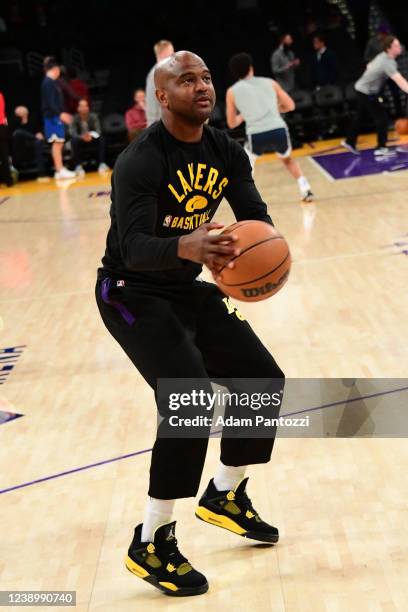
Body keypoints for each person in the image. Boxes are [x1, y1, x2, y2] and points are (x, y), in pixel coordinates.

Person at [96, 50, 285, 597]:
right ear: (162, 95)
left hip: (183, 284)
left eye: (206, 78)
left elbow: (256, 216)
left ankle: (226, 493)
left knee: (261, 379)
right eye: (187, 80)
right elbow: (132, 248)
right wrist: (190, 244)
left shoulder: (223, 148)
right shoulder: (140, 160)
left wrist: (244, 248)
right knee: (191, 400)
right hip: (130, 291)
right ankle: (151, 540)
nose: (202, 86)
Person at [226, 52, 313, 202]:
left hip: (256, 135)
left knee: (246, 165)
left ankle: (247, 199)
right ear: (251, 68)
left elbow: (232, 123)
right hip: (278, 130)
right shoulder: (270, 82)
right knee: (287, 160)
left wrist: (245, 115)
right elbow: (290, 106)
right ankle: (305, 188)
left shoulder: (232, 92)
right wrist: (274, 109)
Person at [342, 36, 408, 157]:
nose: (400, 47)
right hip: (366, 92)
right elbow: (399, 81)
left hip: (361, 88)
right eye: (396, 46)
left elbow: (369, 65)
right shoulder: (387, 62)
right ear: (389, 49)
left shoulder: (383, 56)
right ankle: (381, 147)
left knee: (360, 116)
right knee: (382, 118)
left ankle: (349, 141)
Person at [41, 58, 75, 179]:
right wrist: (61, 114)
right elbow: (50, 102)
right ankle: (59, 169)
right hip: (52, 117)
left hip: (54, 116)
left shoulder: (49, 82)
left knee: (59, 142)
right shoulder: (48, 82)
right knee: (57, 143)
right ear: (55, 69)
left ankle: (59, 169)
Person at [70, 98, 109, 176]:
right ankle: (78, 166)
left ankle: (102, 164)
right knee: (73, 141)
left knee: (102, 139)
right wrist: (82, 137)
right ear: (78, 108)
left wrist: (91, 135)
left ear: (88, 107)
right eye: (82, 106)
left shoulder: (93, 116)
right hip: (80, 140)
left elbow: (98, 130)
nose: (84, 108)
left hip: (92, 138)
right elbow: (72, 132)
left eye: (86, 106)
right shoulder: (75, 118)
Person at [12, 106, 47, 179]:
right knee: (18, 132)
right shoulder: (15, 122)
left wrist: (39, 133)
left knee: (37, 142)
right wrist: (35, 136)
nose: (19, 112)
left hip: (33, 144)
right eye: (18, 111)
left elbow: (39, 131)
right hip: (20, 147)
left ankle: (42, 174)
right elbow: (14, 135)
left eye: (21, 110)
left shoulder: (33, 119)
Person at [145, 39, 174, 126]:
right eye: (172, 52)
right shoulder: (161, 71)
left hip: (159, 125)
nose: (174, 55)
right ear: (164, 53)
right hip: (162, 125)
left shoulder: (155, 72)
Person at [0, 91, 13, 187]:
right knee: (4, 154)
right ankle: (8, 180)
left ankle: (8, 179)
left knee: (4, 154)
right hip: (2, 126)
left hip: (1, 125)